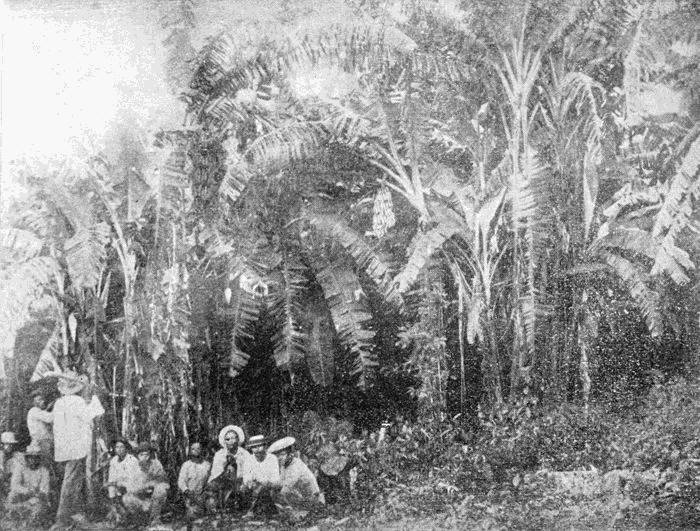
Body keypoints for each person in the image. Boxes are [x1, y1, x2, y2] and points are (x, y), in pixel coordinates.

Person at [50, 370, 105, 530]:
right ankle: (62, 519)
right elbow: (91, 415)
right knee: (71, 481)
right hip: (76, 448)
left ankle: (72, 515)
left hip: (63, 450)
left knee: (71, 481)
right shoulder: (77, 401)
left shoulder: (59, 403)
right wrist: (94, 399)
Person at [268, 436, 324, 520]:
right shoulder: (285, 465)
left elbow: (286, 488)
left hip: (312, 499)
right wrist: (269, 484)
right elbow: (281, 482)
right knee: (273, 489)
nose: (279, 458)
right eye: (277, 456)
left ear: (290, 454)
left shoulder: (296, 465)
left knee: (283, 492)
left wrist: (275, 488)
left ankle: (297, 513)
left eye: (282, 454)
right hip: (301, 497)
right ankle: (289, 512)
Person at [121, 442, 169, 527]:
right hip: (140, 497)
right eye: (141, 454)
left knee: (161, 490)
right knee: (126, 498)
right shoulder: (133, 466)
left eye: (147, 454)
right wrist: (143, 487)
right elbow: (130, 487)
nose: (144, 457)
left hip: (153, 497)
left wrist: (154, 484)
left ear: (150, 455)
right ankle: (139, 521)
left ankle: (154, 520)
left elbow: (164, 480)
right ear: (137, 455)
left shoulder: (156, 464)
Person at [206, 425, 252, 514]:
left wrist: (242, 482)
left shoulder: (245, 454)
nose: (231, 441)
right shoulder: (219, 454)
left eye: (233, 438)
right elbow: (216, 473)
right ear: (224, 441)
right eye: (228, 439)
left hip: (240, 481)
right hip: (224, 481)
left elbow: (248, 472)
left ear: (238, 440)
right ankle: (219, 507)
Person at [5, 443, 50, 525]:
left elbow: (44, 491)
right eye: (31, 457)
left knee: (39, 508)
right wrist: (27, 491)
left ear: (39, 459)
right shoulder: (20, 468)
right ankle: (19, 512)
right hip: (22, 495)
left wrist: (35, 495)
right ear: (27, 458)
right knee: (12, 496)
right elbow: (14, 485)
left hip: (36, 498)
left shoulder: (44, 471)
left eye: (36, 457)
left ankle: (27, 515)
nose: (33, 460)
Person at [241, 435, 280, 518]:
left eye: (259, 446)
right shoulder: (249, 460)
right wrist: (250, 483)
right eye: (254, 447)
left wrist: (263, 483)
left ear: (265, 446)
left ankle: (253, 511)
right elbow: (246, 477)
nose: (257, 449)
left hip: (269, 488)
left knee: (262, 488)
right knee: (243, 488)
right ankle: (254, 510)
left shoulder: (272, 458)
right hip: (254, 487)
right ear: (251, 448)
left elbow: (275, 479)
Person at [105, 438, 139, 524]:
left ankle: (131, 517)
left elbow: (133, 479)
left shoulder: (132, 460)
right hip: (118, 486)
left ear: (126, 448)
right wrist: (113, 484)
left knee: (127, 497)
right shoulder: (114, 460)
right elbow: (111, 477)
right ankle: (117, 514)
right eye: (117, 447)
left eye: (122, 447)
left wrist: (120, 484)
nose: (119, 449)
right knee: (111, 488)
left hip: (131, 486)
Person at [177, 442, 211, 526]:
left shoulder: (207, 465)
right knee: (192, 516)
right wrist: (188, 492)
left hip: (204, 495)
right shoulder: (186, 465)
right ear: (190, 451)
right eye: (193, 449)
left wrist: (206, 493)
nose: (195, 450)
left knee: (211, 511)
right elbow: (181, 481)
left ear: (202, 450)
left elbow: (211, 480)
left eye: (198, 448)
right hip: (190, 496)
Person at [26, 390, 54, 463]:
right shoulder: (34, 410)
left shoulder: (38, 411)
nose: (43, 401)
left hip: (43, 442)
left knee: (48, 463)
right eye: (39, 400)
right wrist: (57, 408)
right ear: (33, 402)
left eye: (42, 399)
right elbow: (49, 418)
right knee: (46, 464)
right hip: (41, 442)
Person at [0, 432, 22, 499]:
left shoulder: (18, 456)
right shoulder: (1, 455)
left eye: (11, 444)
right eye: (7, 444)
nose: (10, 446)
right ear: (2, 445)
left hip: (14, 483)